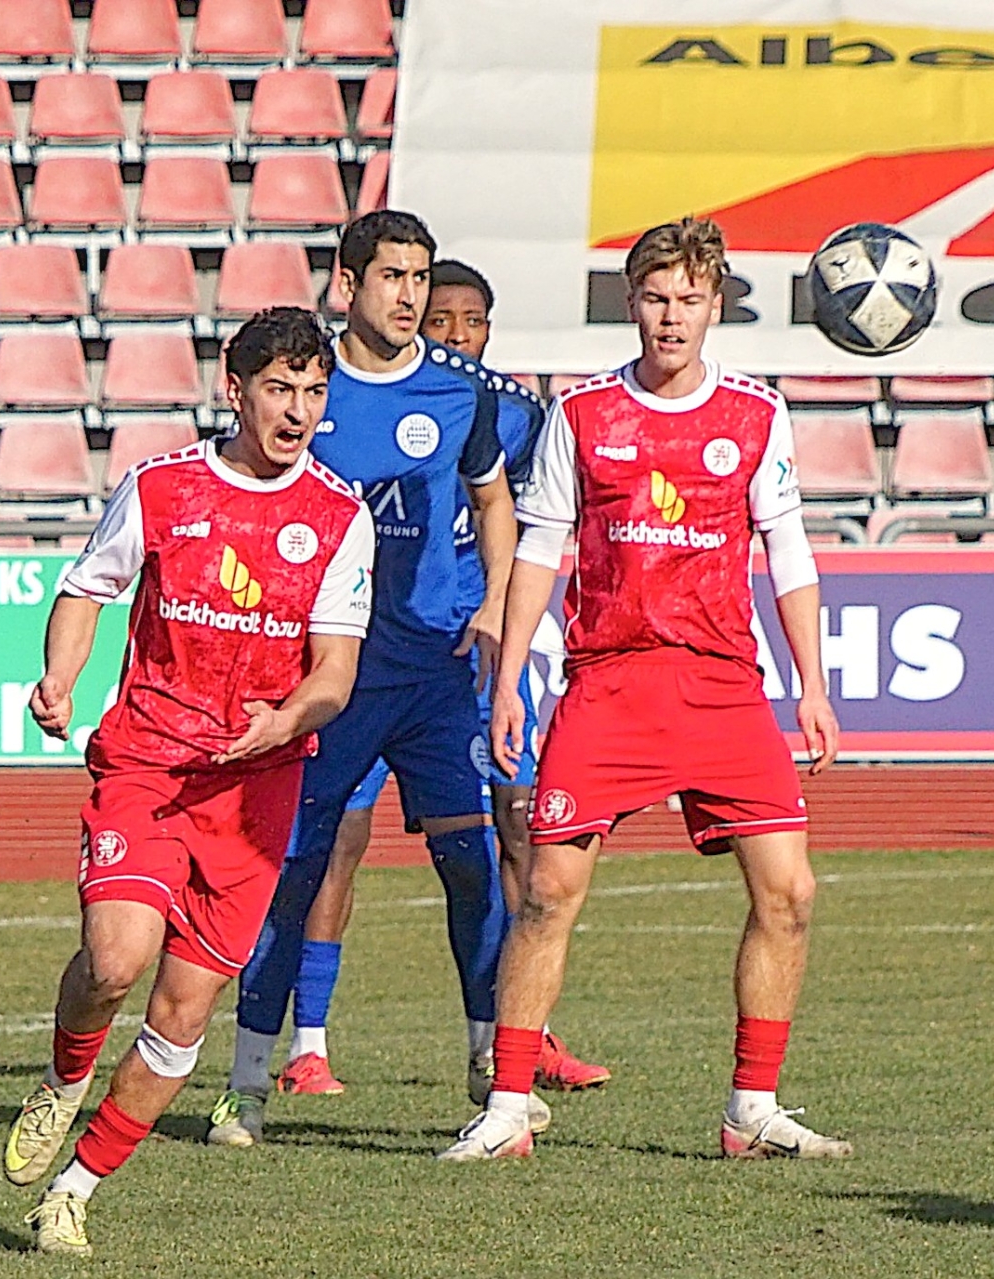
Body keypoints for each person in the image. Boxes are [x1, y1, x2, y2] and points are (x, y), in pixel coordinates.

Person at [441, 217, 846, 1162]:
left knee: (790, 891)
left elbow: (786, 550)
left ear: (715, 306)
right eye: (655, 299)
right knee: (547, 888)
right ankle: (507, 1106)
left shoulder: (754, 415)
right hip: (611, 683)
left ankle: (753, 1105)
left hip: (722, 687)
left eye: (689, 300)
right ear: (632, 304)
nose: (671, 318)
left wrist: (812, 686)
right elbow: (538, 550)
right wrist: (509, 681)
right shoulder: (583, 416)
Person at [0, 308, 374, 1257]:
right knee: (116, 961)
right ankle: (66, 1071)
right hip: (149, 763)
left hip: (258, 791)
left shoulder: (338, 515)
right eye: (280, 389)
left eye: (314, 391)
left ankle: (75, 1191)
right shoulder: (163, 487)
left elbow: (334, 670)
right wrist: (60, 675)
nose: (297, 411)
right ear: (235, 387)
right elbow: (88, 587)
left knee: (183, 1012)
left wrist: (285, 722)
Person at [206, 213, 527, 1148]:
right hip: (331, 679)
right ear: (347, 285)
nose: (411, 295)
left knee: (471, 863)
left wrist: (494, 603)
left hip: (433, 673)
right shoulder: (308, 387)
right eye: (392, 275)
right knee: (293, 868)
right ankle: (249, 1083)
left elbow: (494, 499)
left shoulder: (457, 392)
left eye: (421, 277)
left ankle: (488, 1062)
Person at [278, 260, 610, 1098]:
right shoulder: (365, 395)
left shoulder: (499, 407)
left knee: (512, 835)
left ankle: (517, 1031)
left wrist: (504, 605)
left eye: (473, 321)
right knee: (335, 845)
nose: (456, 333)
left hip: (463, 658)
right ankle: (306, 1042)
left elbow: (563, 482)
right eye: (444, 317)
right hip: (360, 658)